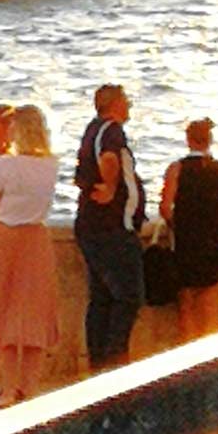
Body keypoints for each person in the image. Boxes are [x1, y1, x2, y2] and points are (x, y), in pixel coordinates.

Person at [0, 103, 59, 408]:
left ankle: (8, 389)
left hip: (4, 237)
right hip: (36, 238)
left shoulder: (4, 165)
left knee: (4, 312)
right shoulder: (50, 165)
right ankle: (29, 388)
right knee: (35, 314)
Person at [73, 81, 145, 371]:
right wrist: (112, 188)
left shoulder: (93, 129)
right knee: (129, 297)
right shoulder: (111, 130)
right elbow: (109, 158)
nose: (129, 106)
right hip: (111, 227)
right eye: (126, 101)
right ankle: (115, 362)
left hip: (93, 226)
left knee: (102, 298)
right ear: (114, 104)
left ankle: (99, 363)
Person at [159, 117, 218, 341]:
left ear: (188, 139)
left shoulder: (177, 169)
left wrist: (175, 224)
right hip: (215, 238)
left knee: (187, 299)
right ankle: (212, 348)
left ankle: (188, 346)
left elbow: (165, 207)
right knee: (210, 296)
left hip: (187, 238)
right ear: (209, 140)